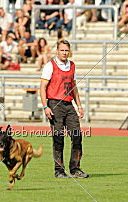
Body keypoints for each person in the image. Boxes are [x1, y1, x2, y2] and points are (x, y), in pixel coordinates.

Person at [39, 40, 89, 179]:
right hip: (55, 104)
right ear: (57, 51)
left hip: (69, 105)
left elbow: (74, 87)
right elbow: (42, 88)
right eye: (62, 50)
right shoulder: (50, 66)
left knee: (77, 136)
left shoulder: (72, 65)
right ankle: (59, 171)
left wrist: (79, 106)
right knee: (58, 138)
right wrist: (45, 106)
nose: (65, 53)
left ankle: (75, 169)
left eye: (67, 50)